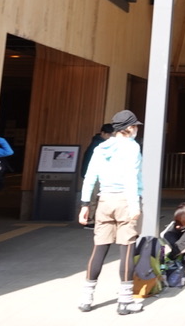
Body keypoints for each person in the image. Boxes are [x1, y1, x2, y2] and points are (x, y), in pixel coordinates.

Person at [77, 109, 144, 315]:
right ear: (129, 128)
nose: (136, 130)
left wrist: (85, 205)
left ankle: (86, 298)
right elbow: (131, 178)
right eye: (135, 127)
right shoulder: (132, 148)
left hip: (104, 200)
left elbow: (90, 177)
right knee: (126, 249)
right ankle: (124, 302)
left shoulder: (101, 147)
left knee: (99, 248)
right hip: (125, 199)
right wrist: (135, 205)